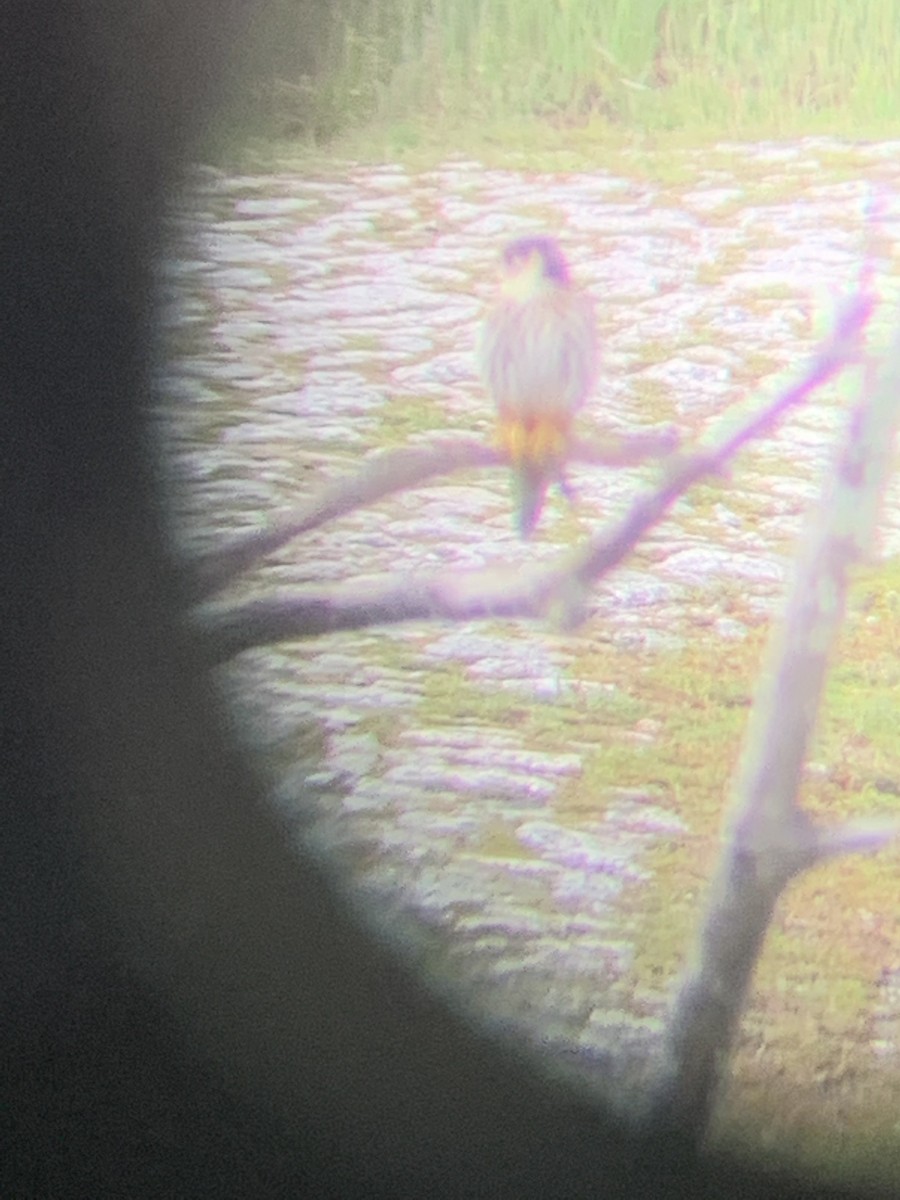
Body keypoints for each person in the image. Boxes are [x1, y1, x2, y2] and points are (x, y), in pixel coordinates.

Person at [0, 5, 845, 1195]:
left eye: (524, 265)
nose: (516, 280)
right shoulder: (513, 315)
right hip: (521, 430)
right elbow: (520, 369)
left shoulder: (557, 311)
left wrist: (555, 431)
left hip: (547, 429)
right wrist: (520, 436)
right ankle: (531, 487)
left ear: (541, 271)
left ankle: (537, 489)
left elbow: (566, 365)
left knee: (538, 471)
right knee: (526, 469)